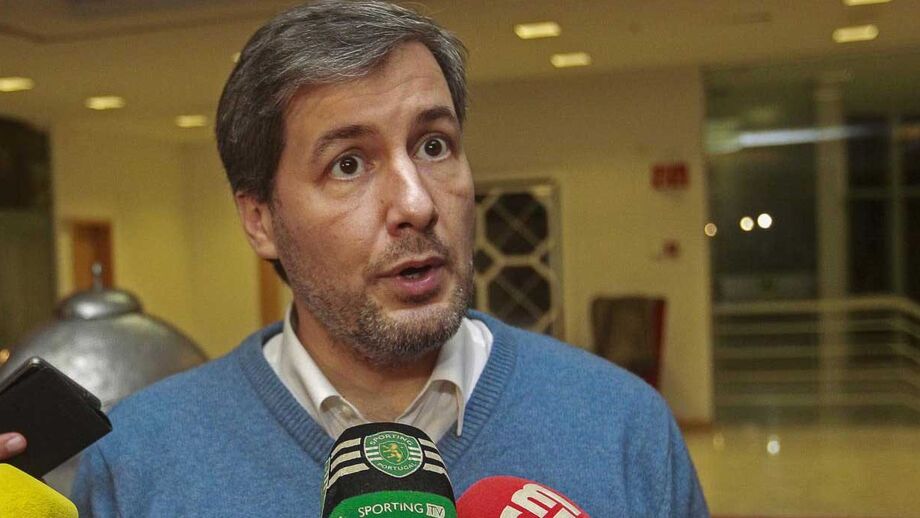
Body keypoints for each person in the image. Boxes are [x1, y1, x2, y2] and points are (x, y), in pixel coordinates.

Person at [71, 1, 708, 516]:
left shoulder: (622, 427)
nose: (417, 204)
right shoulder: (135, 462)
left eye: (434, 146)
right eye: (348, 164)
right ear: (260, 219)